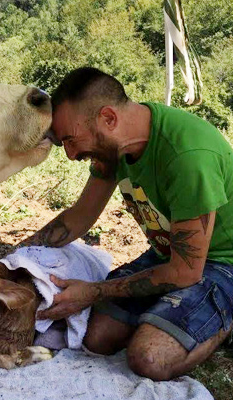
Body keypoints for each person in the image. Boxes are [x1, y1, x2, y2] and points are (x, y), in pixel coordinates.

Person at [29, 67, 233, 381]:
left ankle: (225, 321)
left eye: (71, 140)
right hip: (172, 255)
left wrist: (94, 291)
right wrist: (11, 261)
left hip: (221, 262)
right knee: (97, 337)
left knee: (148, 358)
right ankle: (177, 317)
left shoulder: (188, 155)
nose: (71, 155)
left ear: (109, 118)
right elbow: (80, 216)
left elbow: (185, 271)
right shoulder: (115, 147)